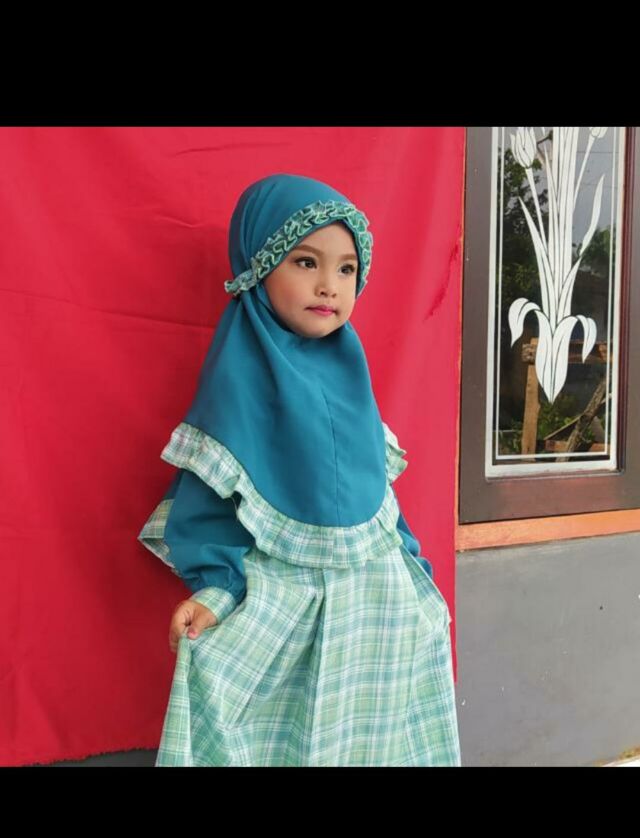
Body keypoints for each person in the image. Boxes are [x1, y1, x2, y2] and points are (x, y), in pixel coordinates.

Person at [138, 172, 462, 766]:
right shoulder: (239, 378)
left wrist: (420, 578)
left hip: (377, 608)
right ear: (258, 267)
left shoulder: (351, 376)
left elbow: (377, 499)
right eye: (305, 262)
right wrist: (217, 590)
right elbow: (212, 499)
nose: (329, 285)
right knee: (281, 735)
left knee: (375, 741)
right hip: (288, 604)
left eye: (347, 269)